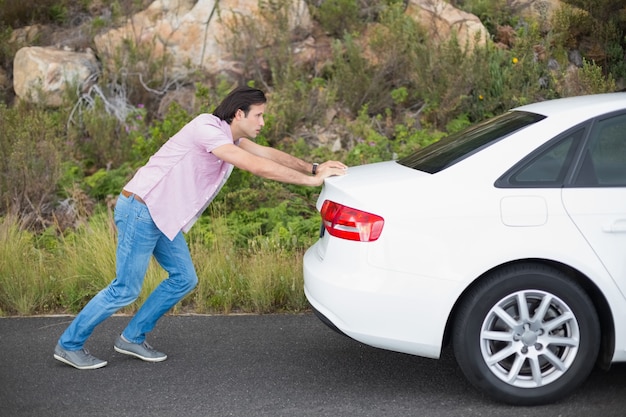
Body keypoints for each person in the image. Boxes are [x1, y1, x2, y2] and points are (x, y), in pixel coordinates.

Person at [54, 86, 348, 370]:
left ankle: (132, 337)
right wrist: (311, 182)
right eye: (258, 115)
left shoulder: (230, 137)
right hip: (142, 209)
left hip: (162, 216)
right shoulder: (207, 128)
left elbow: (266, 155)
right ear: (238, 114)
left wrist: (313, 168)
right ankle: (69, 345)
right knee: (125, 289)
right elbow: (255, 166)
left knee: (183, 278)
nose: (262, 121)